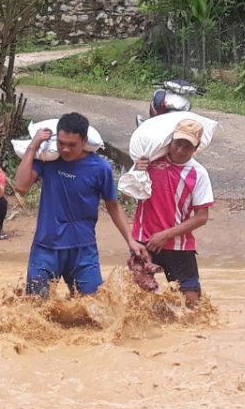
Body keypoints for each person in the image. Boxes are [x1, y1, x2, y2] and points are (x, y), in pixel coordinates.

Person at [13, 112, 150, 297]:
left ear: (84, 140)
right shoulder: (47, 160)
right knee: (36, 307)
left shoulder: (100, 168)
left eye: (72, 145)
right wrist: (33, 147)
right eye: (61, 143)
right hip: (46, 247)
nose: (65, 149)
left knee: (93, 307)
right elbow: (21, 187)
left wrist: (130, 240)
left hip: (83, 249)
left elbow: (113, 206)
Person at [129, 119, 213, 307]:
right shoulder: (149, 162)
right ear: (170, 141)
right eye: (178, 143)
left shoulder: (199, 173)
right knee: (139, 301)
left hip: (179, 246)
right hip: (144, 241)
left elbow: (202, 217)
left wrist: (165, 235)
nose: (180, 150)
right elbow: (126, 197)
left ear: (196, 148)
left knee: (193, 305)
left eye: (187, 146)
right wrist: (135, 172)